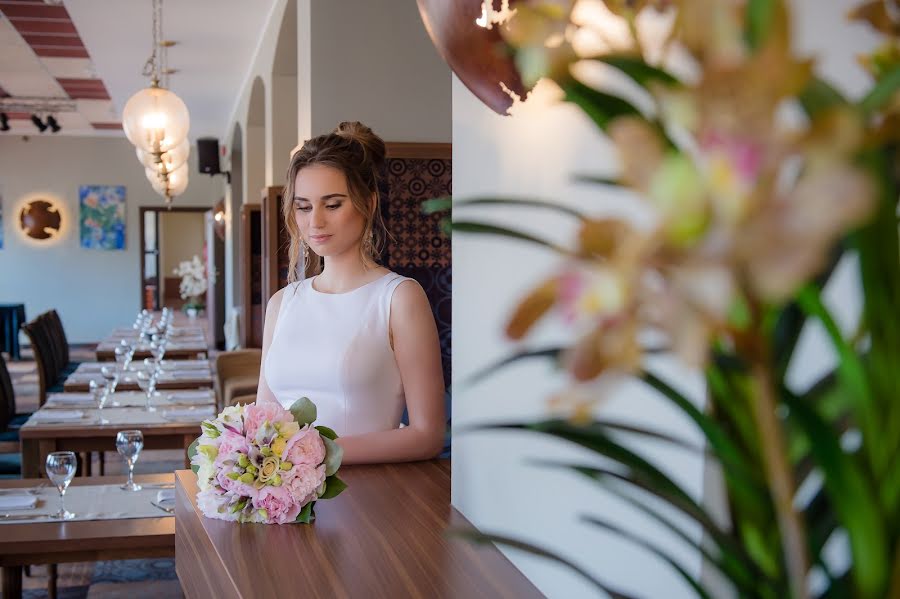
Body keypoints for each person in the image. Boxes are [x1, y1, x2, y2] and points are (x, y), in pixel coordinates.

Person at [257, 121, 446, 464]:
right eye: (303, 206)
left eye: (332, 204)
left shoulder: (398, 297)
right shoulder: (282, 303)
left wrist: (315, 453)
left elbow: (428, 434)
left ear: (368, 203)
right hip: (282, 500)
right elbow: (264, 420)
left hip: (369, 501)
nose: (315, 222)